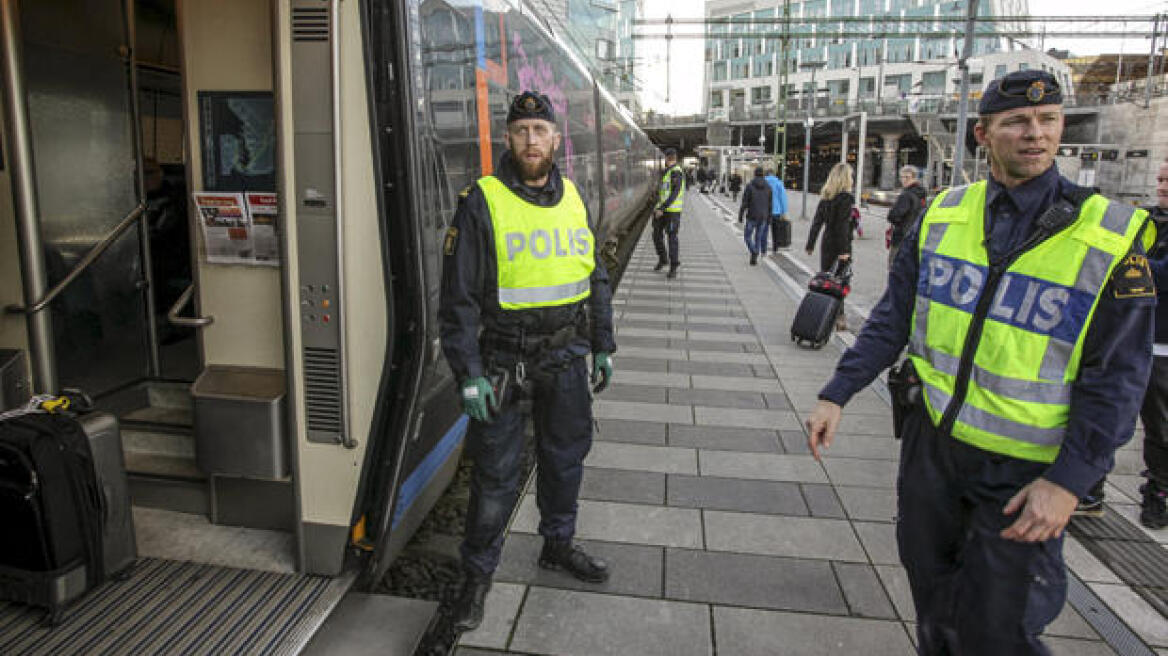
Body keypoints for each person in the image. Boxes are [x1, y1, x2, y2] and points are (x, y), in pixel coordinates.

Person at [805, 70, 1155, 655]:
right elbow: (895, 316)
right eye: (1017, 121)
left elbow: (1118, 378)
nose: (1035, 134)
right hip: (933, 451)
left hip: (1024, 474)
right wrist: (837, 391)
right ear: (984, 134)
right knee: (934, 605)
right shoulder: (943, 215)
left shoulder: (1108, 238)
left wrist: (1071, 481)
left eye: (1048, 121)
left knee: (999, 630)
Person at [438, 91, 617, 633]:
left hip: (566, 356)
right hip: (502, 361)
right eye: (521, 131)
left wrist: (603, 344)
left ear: (556, 138)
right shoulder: (481, 200)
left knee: (566, 459)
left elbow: (595, 277)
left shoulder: (573, 199)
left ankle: (557, 545)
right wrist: (468, 373)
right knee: (495, 477)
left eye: (540, 130)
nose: (531, 140)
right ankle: (477, 577)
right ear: (508, 139)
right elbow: (458, 300)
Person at [805, 163, 855, 330]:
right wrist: (844, 250)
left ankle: (823, 313)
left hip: (826, 243)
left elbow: (817, 222)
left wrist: (810, 244)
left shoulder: (826, 196)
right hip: (840, 244)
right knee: (840, 283)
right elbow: (842, 226)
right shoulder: (846, 198)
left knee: (827, 280)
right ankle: (839, 317)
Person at [886, 165, 927, 265]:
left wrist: (895, 219)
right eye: (902, 177)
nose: (904, 180)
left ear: (914, 178)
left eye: (907, 177)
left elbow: (893, 215)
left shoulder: (906, 195)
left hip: (901, 237)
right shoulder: (922, 195)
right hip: (916, 237)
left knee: (894, 267)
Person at [653, 148, 685, 279]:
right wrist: (657, 206)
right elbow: (664, 192)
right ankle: (663, 258)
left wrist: (662, 208)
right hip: (663, 210)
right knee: (656, 234)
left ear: (667, 158)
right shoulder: (668, 172)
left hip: (672, 212)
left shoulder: (676, 172)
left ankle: (673, 266)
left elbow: (674, 193)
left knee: (672, 238)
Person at [738, 167, 773, 265]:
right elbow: (770, 204)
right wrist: (769, 218)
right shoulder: (769, 187)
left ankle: (754, 252)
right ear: (763, 175)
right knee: (758, 237)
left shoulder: (749, 186)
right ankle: (755, 256)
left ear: (754, 174)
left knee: (747, 236)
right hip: (763, 217)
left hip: (752, 215)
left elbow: (745, 202)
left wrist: (741, 214)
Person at [764, 165, 790, 252]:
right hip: (776, 211)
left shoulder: (763, 182)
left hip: (765, 211)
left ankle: (763, 247)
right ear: (774, 174)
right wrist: (784, 211)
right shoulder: (779, 183)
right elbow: (783, 198)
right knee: (775, 230)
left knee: (764, 229)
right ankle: (775, 247)